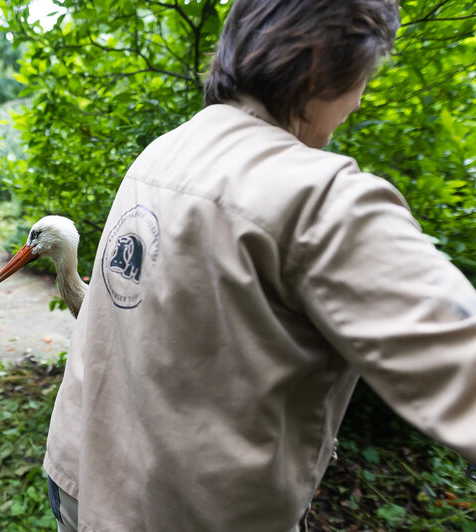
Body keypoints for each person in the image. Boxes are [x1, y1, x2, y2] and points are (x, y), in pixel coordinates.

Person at [43, 1, 476, 531]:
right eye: (364, 77)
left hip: (79, 483)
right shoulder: (325, 200)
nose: (359, 102)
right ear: (322, 65)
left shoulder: (160, 154)